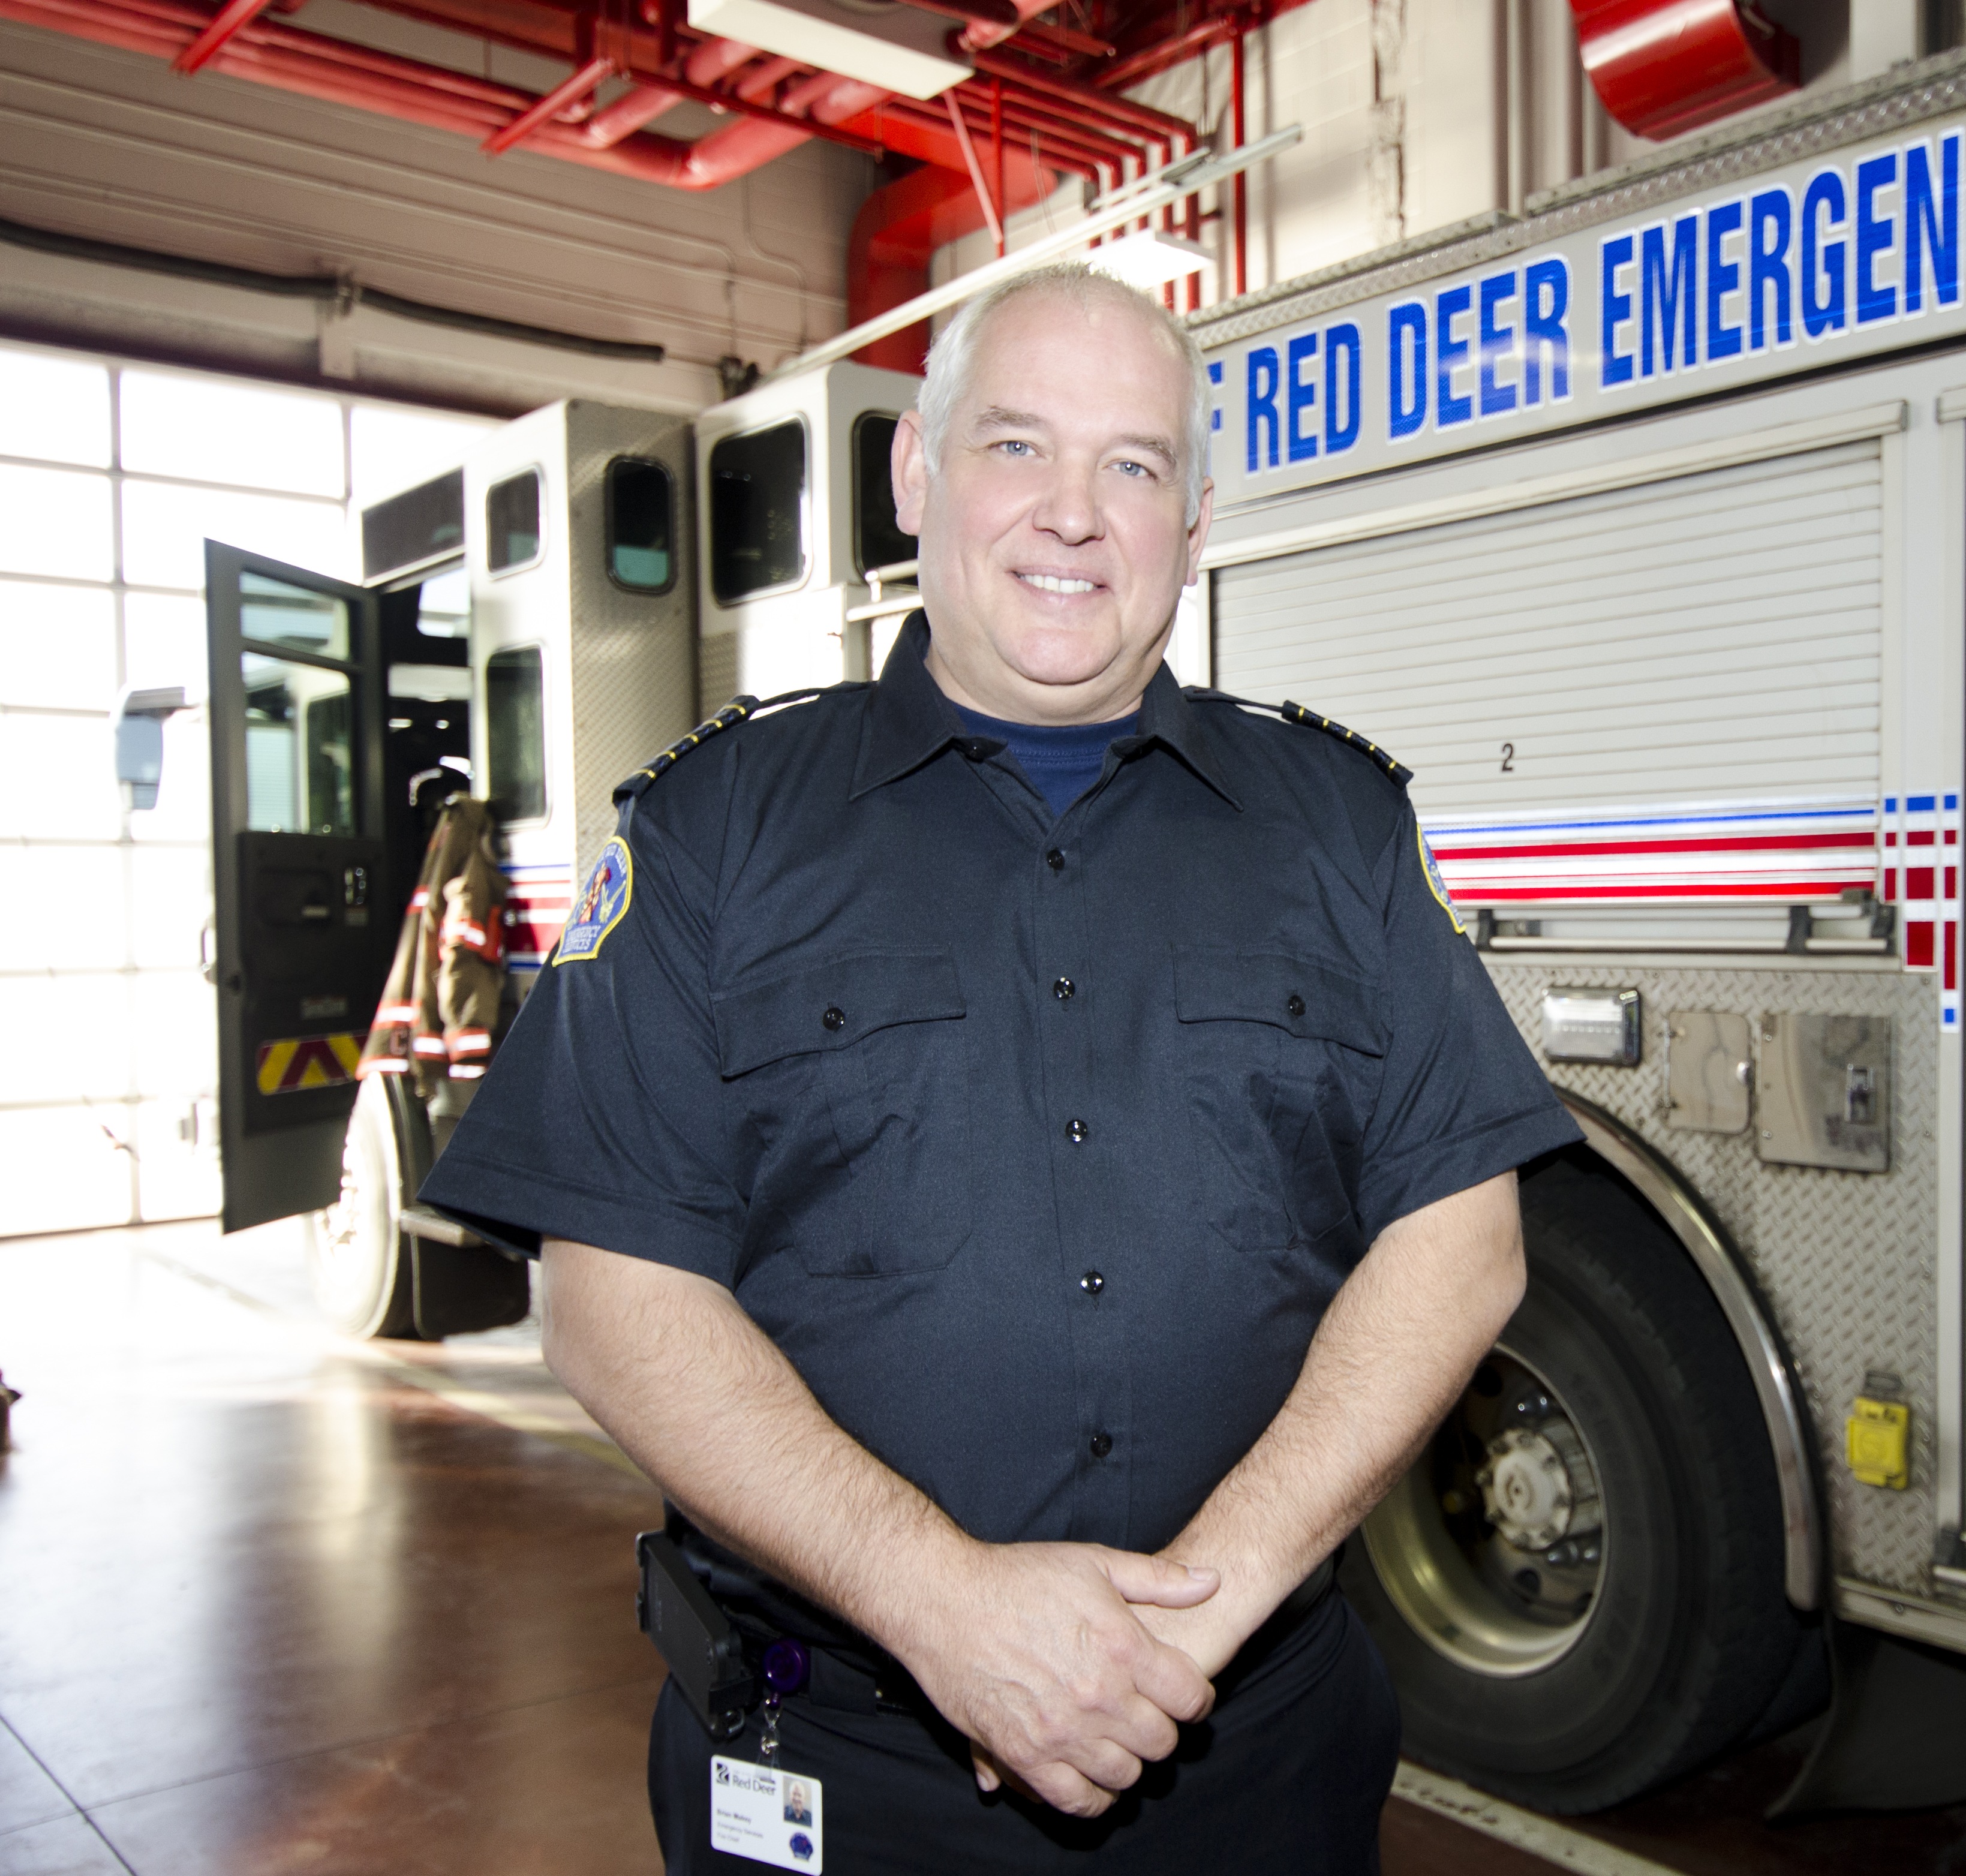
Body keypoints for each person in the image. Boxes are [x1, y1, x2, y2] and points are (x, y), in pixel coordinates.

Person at [419, 261, 1581, 1872]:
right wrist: (943, 1607)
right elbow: (609, 1301)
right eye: (1016, 445)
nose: (1074, 513)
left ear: (1194, 518)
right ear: (916, 471)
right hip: (838, 1760)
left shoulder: (1335, 826)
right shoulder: (715, 830)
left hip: (1249, 1760)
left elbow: (1460, 1240)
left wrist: (1190, 1620)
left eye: (1134, 463)